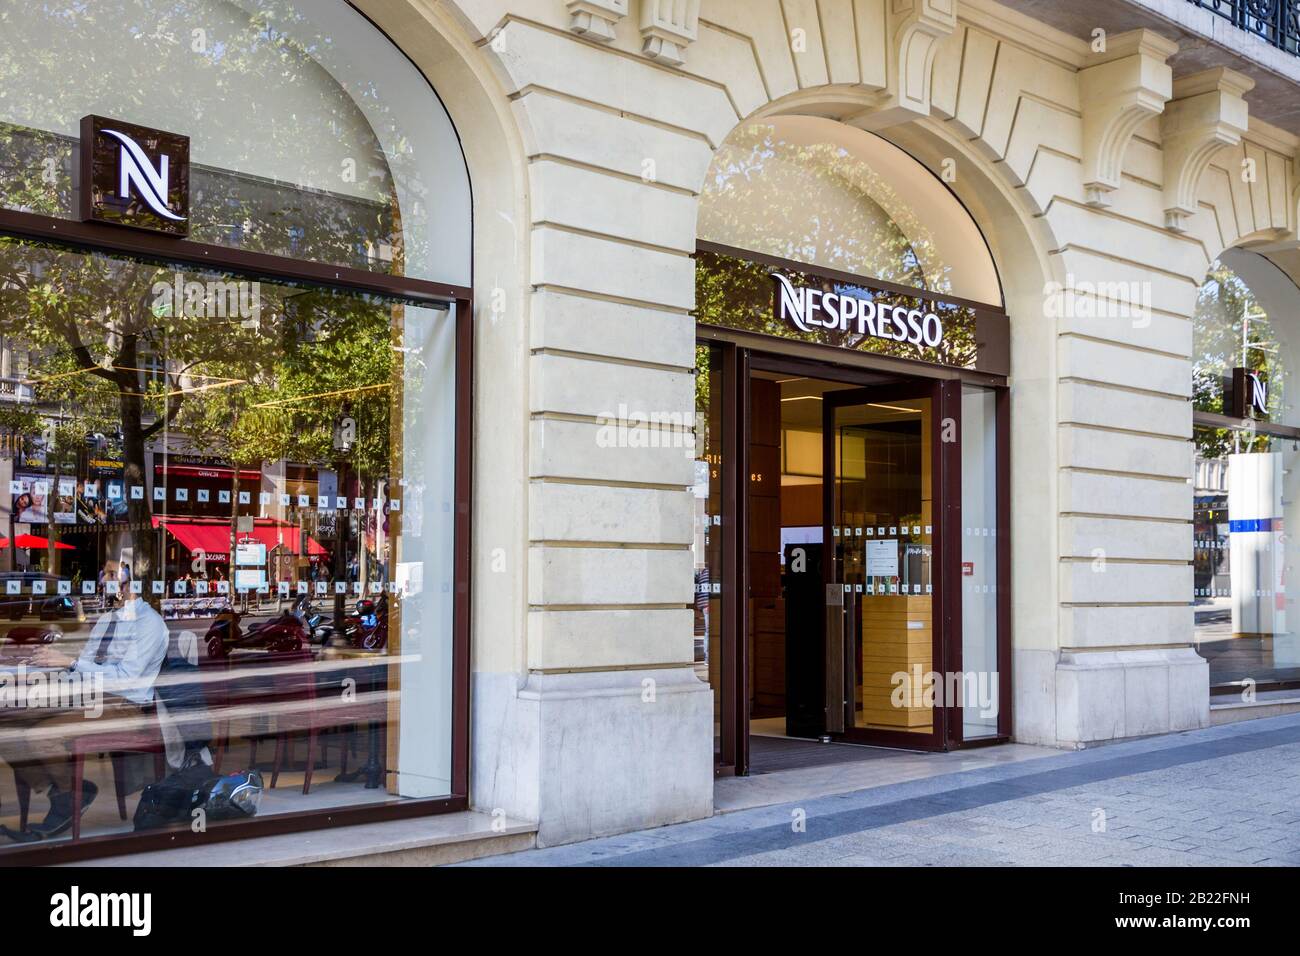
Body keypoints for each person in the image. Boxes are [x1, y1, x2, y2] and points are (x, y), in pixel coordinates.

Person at [0, 568, 168, 842]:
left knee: (39, 736)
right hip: (86, 697)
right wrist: (39, 667)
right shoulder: (107, 620)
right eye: (103, 581)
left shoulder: (149, 624)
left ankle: (70, 795)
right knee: (7, 721)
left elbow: (125, 679)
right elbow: (83, 667)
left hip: (125, 705)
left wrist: (70, 662)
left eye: (110, 581)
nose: (102, 586)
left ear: (130, 586)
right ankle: (64, 789)